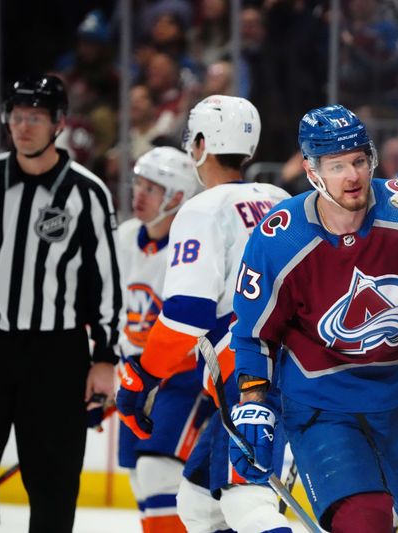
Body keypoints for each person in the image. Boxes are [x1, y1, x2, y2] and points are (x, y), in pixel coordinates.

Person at [227, 104, 398, 533]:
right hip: (323, 408)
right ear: (311, 169)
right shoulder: (280, 237)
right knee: (365, 522)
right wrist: (252, 402)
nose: (352, 176)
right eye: (337, 165)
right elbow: (253, 335)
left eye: (358, 160)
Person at [0, 74, 121, 532]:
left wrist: (103, 357)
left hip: (55, 355)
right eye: (17, 117)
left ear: (58, 124)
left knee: (54, 486)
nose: (23, 127)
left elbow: (105, 281)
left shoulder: (86, 191)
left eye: (35, 117)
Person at [115, 95, 292, 533]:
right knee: (197, 504)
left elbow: (185, 317)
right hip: (302, 365)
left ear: (199, 144)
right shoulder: (281, 198)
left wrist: (142, 374)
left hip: (250, 375)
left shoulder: (203, 209)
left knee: (246, 503)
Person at [116, 146, 212, 532]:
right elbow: (112, 312)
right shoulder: (123, 238)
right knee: (141, 480)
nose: (138, 194)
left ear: (176, 198)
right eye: (137, 184)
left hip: (183, 381)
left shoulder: (189, 249)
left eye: (150, 188)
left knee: (156, 471)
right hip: (135, 376)